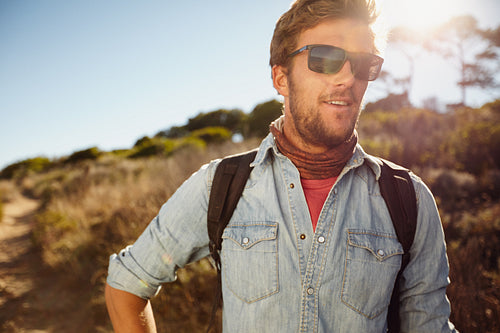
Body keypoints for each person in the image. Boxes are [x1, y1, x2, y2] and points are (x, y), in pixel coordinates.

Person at [105, 0, 458, 332]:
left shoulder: (408, 199)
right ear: (281, 79)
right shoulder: (220, 186)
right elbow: (127, 282)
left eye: (364, 65)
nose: (348, 78)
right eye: (325, 58)